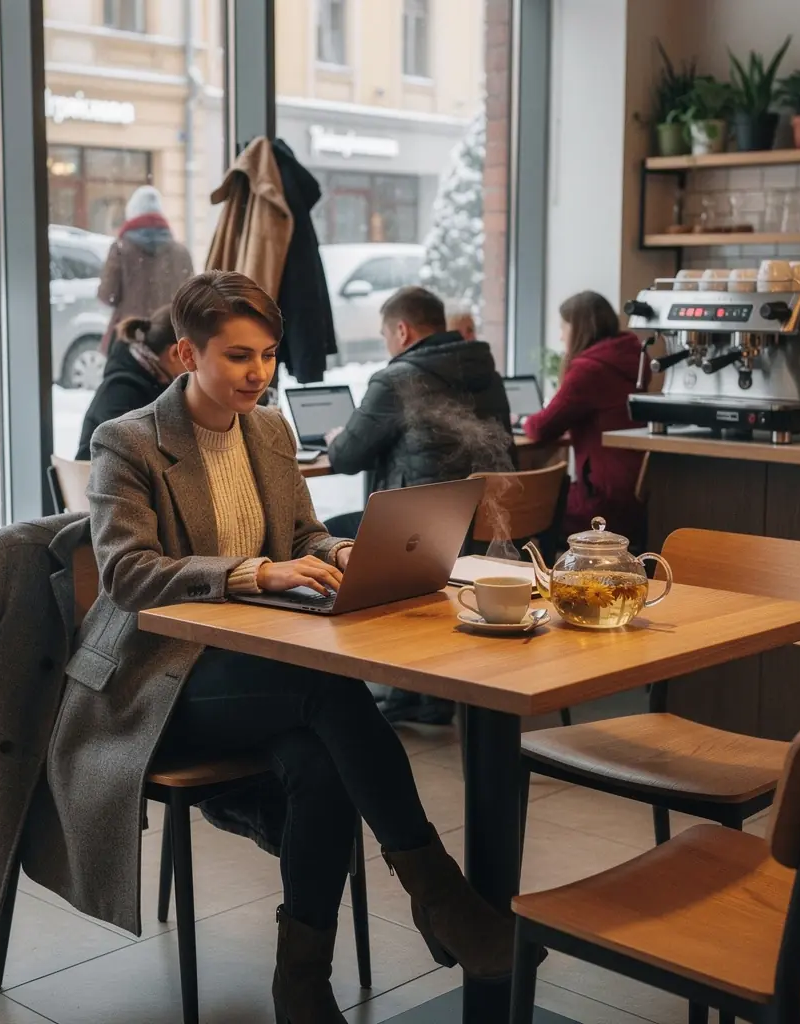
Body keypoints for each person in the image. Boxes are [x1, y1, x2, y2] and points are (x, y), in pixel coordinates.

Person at [85, 270, 515, 1023]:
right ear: (188, 354)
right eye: (240, 357)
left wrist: (337, 552)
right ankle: (439, 894)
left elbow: (303, 533)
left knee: (320, 764)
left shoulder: (270, 430)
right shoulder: (128, 442)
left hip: (261, 672)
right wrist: (256, 572)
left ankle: (302, 982)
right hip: (165, 684)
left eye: (269, 355)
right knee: (329, 689)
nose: (260, 374)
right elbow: (125, 573)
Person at [324, 285, 513, 726]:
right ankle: (423, 691)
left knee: (327, 535)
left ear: (403, 331)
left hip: (424, 532)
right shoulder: (484, 368)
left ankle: (386, 680)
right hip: (482, 525)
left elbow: (347, 456)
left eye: (386, 335)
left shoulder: (397, 378)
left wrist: (335, 438)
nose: (389, 344)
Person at [523, 290, 648, 547]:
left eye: (563, 327)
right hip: (635, 494)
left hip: (602, 501)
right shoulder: (633, 357)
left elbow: (541, 428)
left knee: (530, 511)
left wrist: (522, 420)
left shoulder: (589, 370)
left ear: (578, 328)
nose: (560, 335)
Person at [75, 305, 183, 461]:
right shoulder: (122, 390)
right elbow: (138, 458)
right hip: (104, 482)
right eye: (191, 354)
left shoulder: (146, 380)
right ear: (175, 353)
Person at [97, 186, 194, 349]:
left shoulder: (121, 249)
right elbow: (191, 300)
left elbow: (107, 295)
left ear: (132, 214)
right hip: (171, 341)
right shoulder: (181, 253)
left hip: (131, 338)